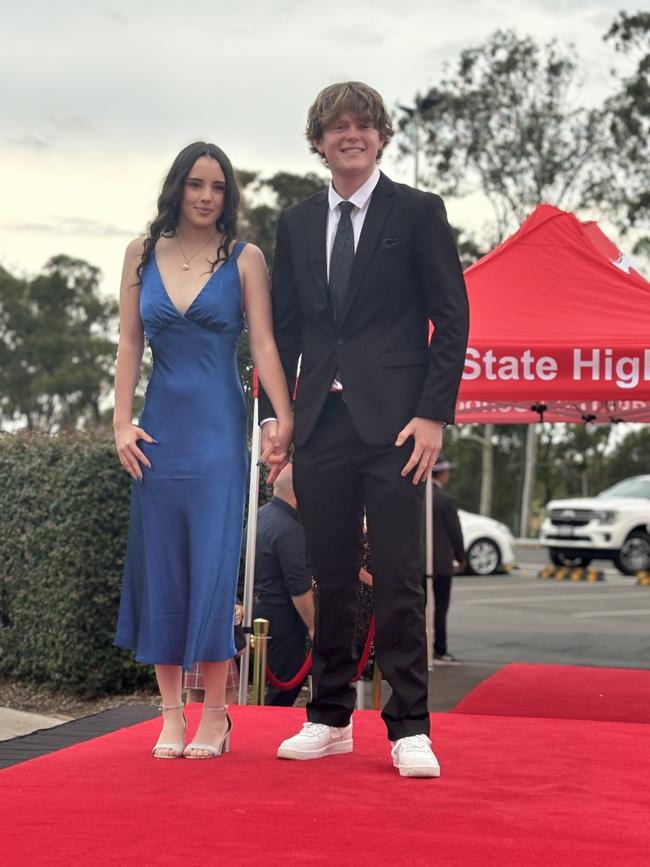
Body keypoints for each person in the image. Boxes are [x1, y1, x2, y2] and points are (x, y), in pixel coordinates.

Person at [258, 82, 469, 777]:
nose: (350, 135)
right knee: (333, 573)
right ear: (317, 141)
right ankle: (329, 716)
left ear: (380, 136)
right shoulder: (293, 224)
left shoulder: (418, 211)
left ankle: (409, 725)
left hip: (400, 428)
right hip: (321, 423)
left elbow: (452, 317)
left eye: (363, 125)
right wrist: (277, 415)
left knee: (402, 574)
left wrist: (434, 413)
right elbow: (284, 330)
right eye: (336, 127)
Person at [112, 141, 292, 759]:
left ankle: (215, 715)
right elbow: (129, 347)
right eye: (196, 184)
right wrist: (120, 424)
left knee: (214, 570)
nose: (206, 196)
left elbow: (264, 346)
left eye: (217, 186)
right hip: (159, 433)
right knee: (161, 567)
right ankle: (169, 715)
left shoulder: (245, 259)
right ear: (178, 188)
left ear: (228, 196)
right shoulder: (140, 254)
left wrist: (281, 418)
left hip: (220, 433)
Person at [252, 464, 314, 706]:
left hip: (260, 611)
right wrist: (313, 625)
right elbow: (298, 586)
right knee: (284, 685)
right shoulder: (289, 529)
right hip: (283, 618)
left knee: (275, 684)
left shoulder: (260, 516)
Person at [429, 457, 465, 664]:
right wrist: (461, 558)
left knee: (417, 609)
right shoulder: (445, 500)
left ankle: (417, 650)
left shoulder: (418, 497)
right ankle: (439, 650)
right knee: (440, 609)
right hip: (441, 565)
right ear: (442, 474)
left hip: (417, 564)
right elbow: (455, 533)